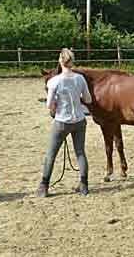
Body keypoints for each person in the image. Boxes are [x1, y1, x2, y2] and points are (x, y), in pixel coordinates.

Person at [38, 48, 92, 197]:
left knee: (51, 154)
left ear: (60, 61)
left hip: (62, 122)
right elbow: (88, 99)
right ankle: (84, 185)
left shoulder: (54, 81)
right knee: (80, 153)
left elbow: (50, 105)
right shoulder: (80, 79)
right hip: (79, 121)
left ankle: (44, 186)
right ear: (72, 61)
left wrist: (57, 104)